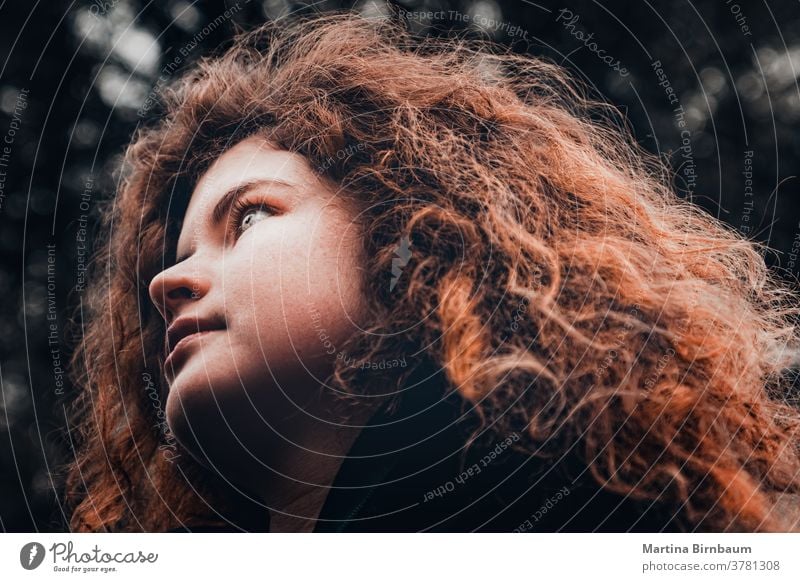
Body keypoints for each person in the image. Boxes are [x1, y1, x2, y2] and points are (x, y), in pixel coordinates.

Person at [63, 12, 800, 533]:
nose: (167, 286)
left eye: (249, 217)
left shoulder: (596, 513)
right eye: (175, 259)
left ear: (417, 238)